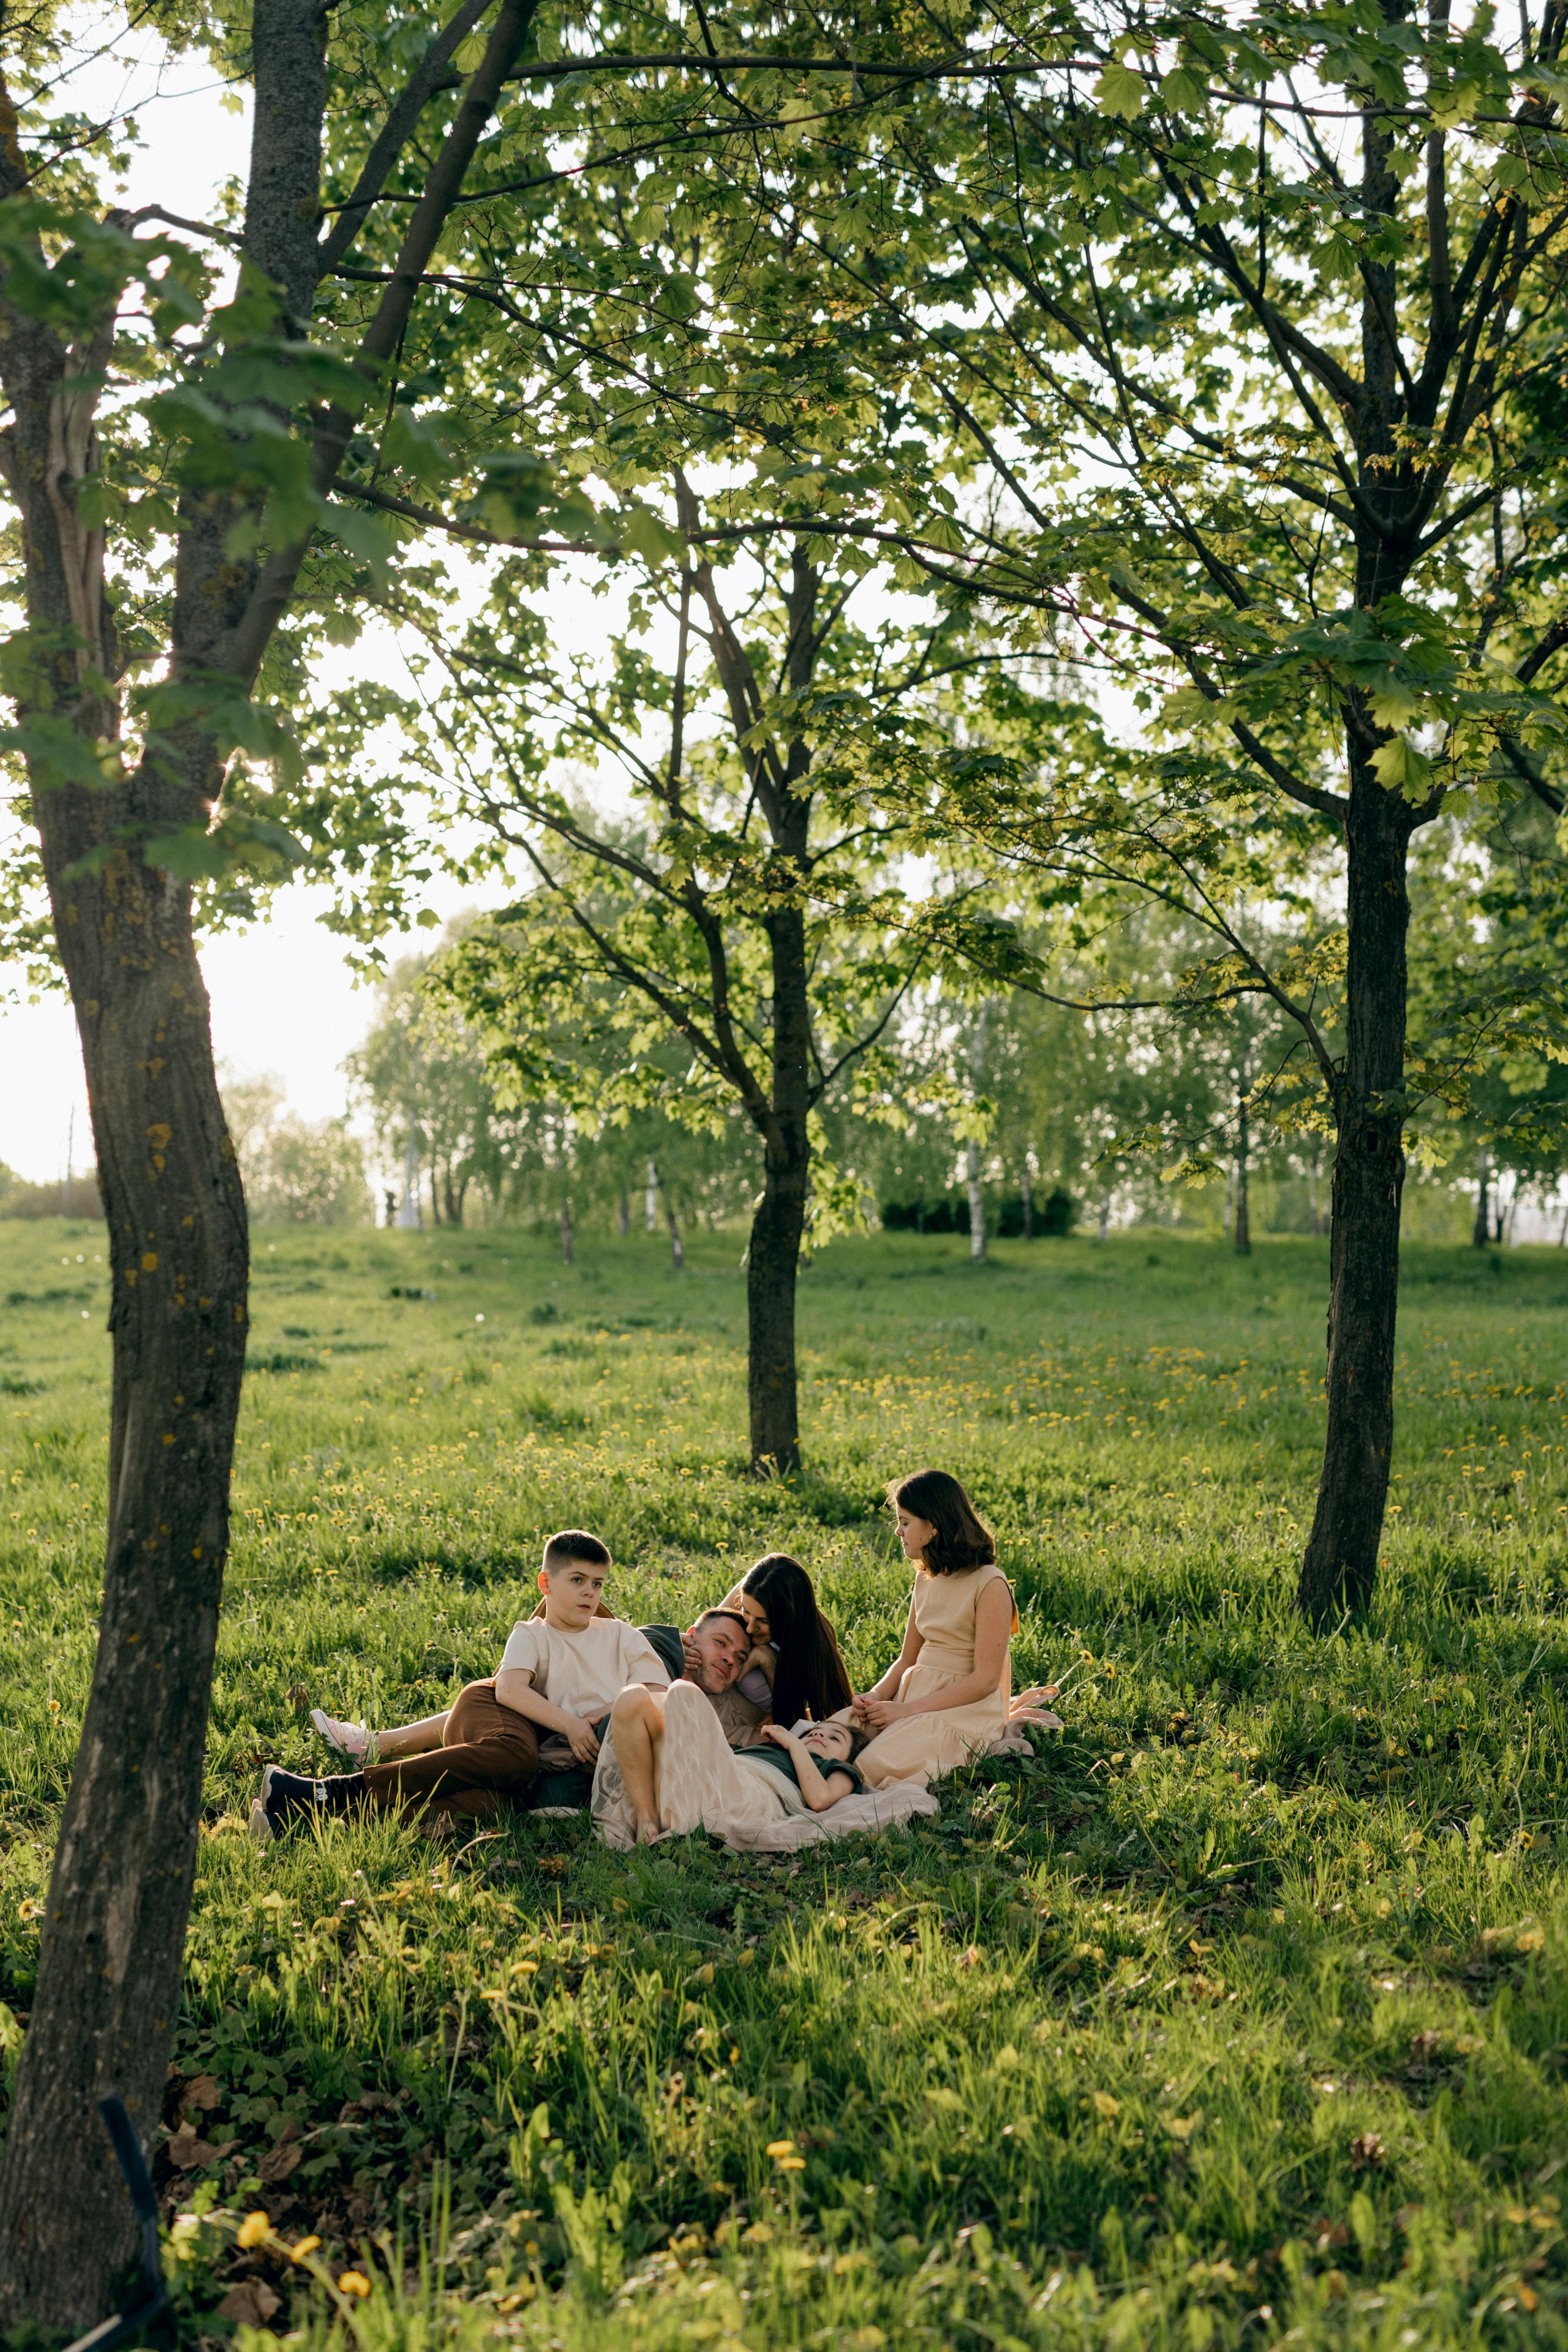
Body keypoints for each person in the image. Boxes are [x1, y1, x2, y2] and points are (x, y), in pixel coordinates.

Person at [250, 1529, 669, 1841]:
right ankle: (338, 1789)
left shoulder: (622, 1637)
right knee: (518, 1759)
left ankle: (299, 1816)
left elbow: (655, 1697)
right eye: (577, 1580)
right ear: (546, 1584)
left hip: (547, 1750)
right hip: (500, 1714)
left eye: (597, 1584)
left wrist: (599, 1727)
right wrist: (572, 1728)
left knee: (495, 1805)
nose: (590, 1593)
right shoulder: (533, 1633)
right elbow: (509, 1691)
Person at [307, 1607, 760, 1800]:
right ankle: (372, 1753)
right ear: (694, 1637)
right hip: (526, 1714)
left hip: (551, 1759)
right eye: (721, 1644)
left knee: (484, 1797)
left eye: (741, 1658)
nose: (729, 1659)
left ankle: (336, 1799)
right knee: (512, 1734)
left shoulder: (722, 1711)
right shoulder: (655, 1645)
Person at [850, 1470, 1017, 1788]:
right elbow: (906, 1659)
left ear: (933, 1526)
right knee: (840, 1732)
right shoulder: (925, 1578)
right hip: (915, 1694)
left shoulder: (990, 1583)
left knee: (872, 1764)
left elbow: (984, 1681)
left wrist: (906, 1711)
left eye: (905, 1522)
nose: (898, 1532)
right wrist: (876, 1695)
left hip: (964, 1709)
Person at [594, 1677, 870, 1847]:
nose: (821, 1733)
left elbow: (821, 1799)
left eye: (836, 1738)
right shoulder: (765, 1750)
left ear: (846, 1758)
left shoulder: (838, 1770)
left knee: (682, 1691)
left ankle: (671, 1815)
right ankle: (647, 1816)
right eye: (817, 1731)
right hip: (714, 1779)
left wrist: (796, 1743)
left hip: (747, 1797)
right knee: (631, 1697)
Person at [722, 1552, 854, 1730]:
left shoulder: (813, 1643)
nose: (750, 1628)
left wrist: (767, 1661)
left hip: (755, 1728)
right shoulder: (754, 1590)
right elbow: (704, 1636)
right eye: (745, 1611)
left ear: (790, 1618)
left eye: (764, 1620)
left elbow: (835, 1718)